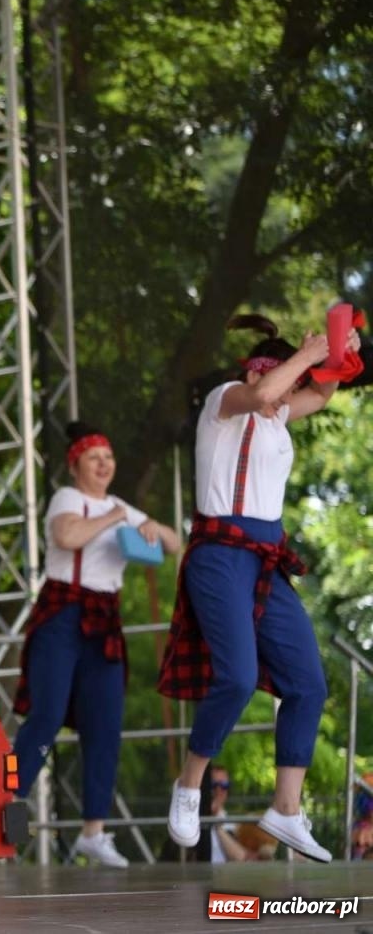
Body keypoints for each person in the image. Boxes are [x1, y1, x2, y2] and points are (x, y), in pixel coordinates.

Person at [160, 313, 363, 863]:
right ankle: (190, 784)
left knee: (308, 684)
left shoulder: (277, 415)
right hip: (219, 554)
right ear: (257, 372)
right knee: (238, 677)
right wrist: (308, 354)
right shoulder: (225, 401)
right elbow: (268, 393)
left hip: (264, 561)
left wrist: (339, 352)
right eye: (284, 385)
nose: (286, 401)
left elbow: (320, 395)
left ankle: (286, 809)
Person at [11, 421, 181, 869]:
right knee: (45, 716)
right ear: (76, 465)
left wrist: (153, 527)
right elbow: (67, 536)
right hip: (63, 613)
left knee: (105, 726)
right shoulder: (68, 499)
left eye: (108, 456)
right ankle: (3, 811)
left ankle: (94, 831)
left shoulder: (120, 506)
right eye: (94, 457)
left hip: (104, 619)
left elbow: (174, 542)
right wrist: (114, 517)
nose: (104, 464)